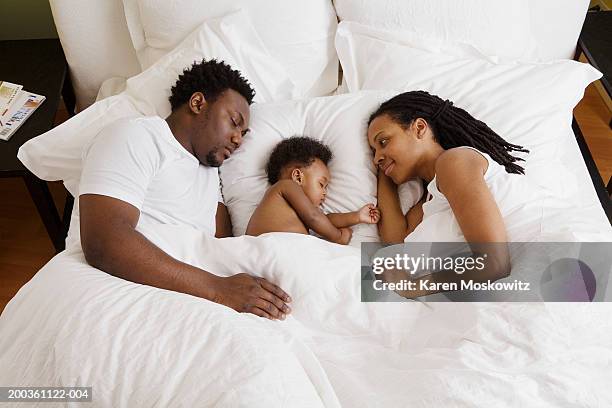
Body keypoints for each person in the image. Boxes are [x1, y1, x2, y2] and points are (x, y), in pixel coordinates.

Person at [79, 59, 292, 320]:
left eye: (244, 133)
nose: (238, 139)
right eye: (234, 122)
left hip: (197, 301)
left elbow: (223, 252)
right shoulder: (136, 136)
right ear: (198, 103)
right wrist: (218, 290)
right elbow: (103, 241)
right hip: (131, 295)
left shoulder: (212, 176)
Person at [368, 90, 539, 297]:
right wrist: (383, 170)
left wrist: (413, 287)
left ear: (420, 128)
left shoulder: (456, 162)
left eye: (383, 141)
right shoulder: (430, 200)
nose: (376, 157)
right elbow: (395, 242)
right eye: (373, 151)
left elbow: (494, 263)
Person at [246, 136, 380, 243]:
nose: (325, 193)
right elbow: (314, 218)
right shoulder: (286, 186)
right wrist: (338, 236)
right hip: (266, 248)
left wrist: (356, 216)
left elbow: (323, 220)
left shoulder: (294, 210)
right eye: (321, 184)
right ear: (298, 177)